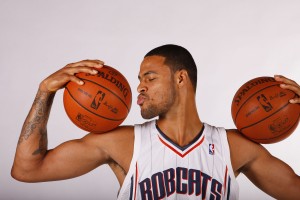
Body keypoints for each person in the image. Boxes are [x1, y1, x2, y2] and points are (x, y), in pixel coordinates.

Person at [12, 44, 300, 199]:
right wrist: (44, 92)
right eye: (139, 80)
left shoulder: (234, 147)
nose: (140, 87)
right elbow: (27, 170)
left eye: (149, 78)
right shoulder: (122, 143)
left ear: (181, 78)